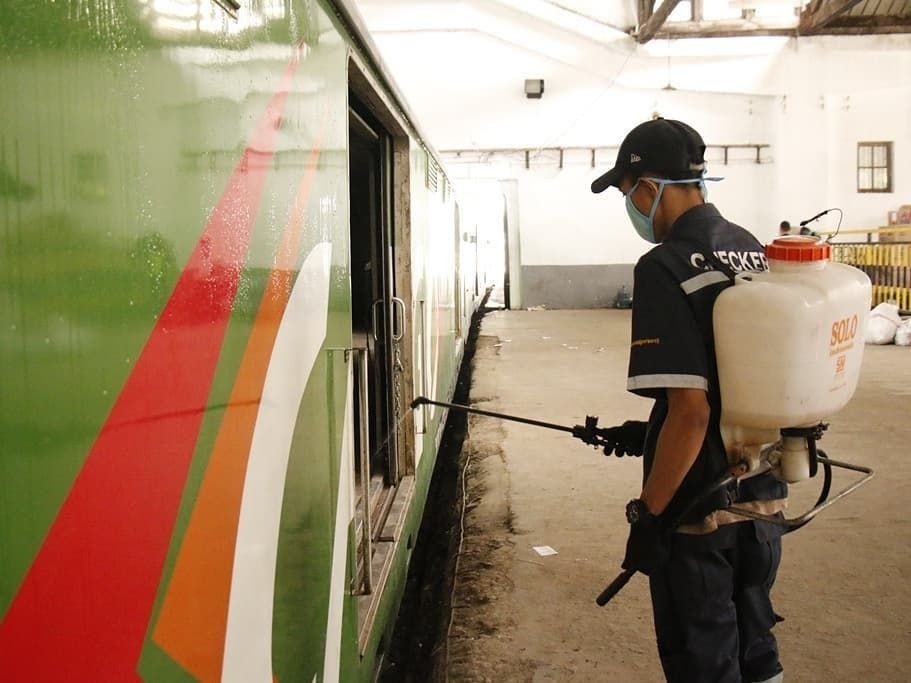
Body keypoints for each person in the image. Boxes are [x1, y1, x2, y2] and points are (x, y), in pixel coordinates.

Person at [591, 118, 788, 683]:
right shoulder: (750, 249)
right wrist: (646, 432)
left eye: (629, 194)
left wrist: (650, 516)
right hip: (763, 500)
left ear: (650, 186)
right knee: (756, 644)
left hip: (701, 512)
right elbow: (734, 380)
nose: (631, 206)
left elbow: (692, 410)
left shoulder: (665, 266)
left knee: (702, 661)